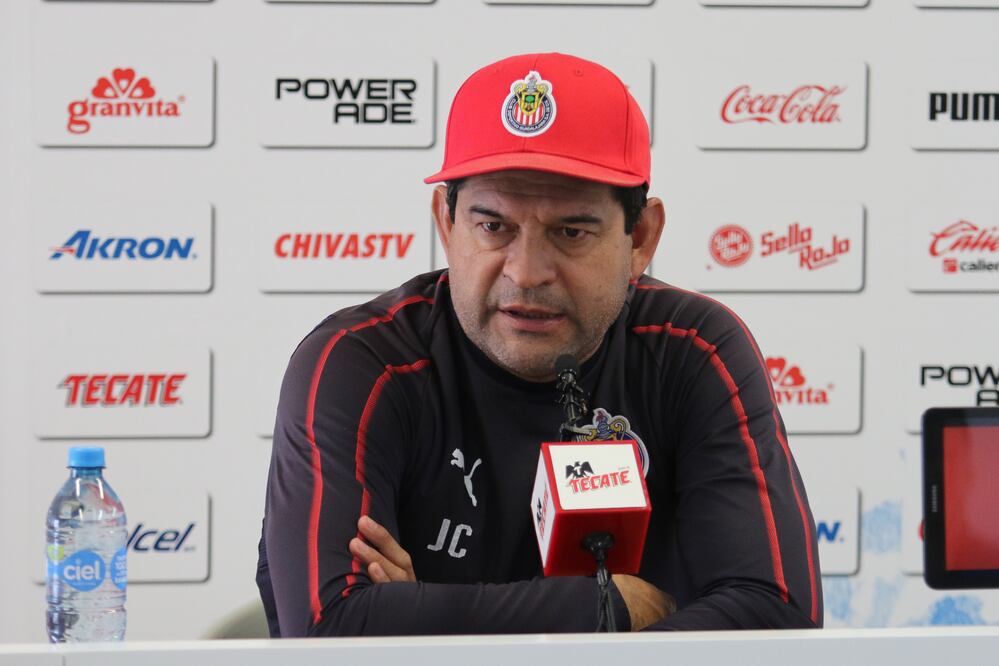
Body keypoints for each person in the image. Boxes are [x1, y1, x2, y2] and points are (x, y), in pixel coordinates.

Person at [256, 52, 822, 637]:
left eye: (570, 231)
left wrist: (422, 620)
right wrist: (611, 607)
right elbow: (329, 632)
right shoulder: (360, 363)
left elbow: (776, 618)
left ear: (640, 238)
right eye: (493, 226)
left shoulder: (693, 350)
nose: (526, 273)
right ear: (446, 223)